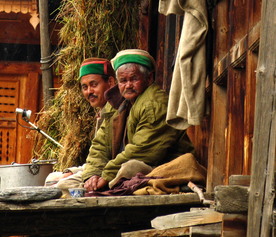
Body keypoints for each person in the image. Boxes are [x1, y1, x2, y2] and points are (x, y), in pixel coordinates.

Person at [82, 49, 194, 192]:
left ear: (149, 78)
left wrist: (106, 175)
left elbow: (141, 150)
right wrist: (93, 174)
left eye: (134, 79)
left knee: (130, 167)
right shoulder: (121, 105)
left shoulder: (154, 103)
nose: (128, 85)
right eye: (123, 81)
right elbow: (100, 146)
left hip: (162, 166)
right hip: (125, 169)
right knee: (67, 183)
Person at [50, 58, 122, 193]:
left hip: (110, 172)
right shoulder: (104, 111)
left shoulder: (117, 111)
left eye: (94, 85)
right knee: (52, 178)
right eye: (85, 87)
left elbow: (108, 157)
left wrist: (91, 175)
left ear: (111, 82)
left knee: (61, 187)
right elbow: (96, 154)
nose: (89, 91)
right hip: (98, 169)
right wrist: (74, 171)